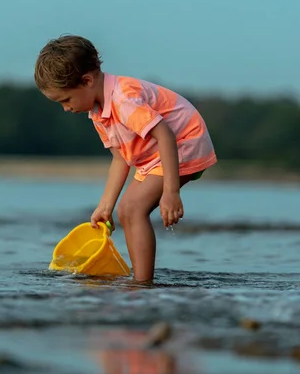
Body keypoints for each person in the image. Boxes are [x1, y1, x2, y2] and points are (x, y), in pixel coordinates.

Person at [34, 35, 217, 282]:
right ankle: (140, 280)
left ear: (87, 80)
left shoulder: (123, 99)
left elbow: (165, 135)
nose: (66, 108)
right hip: (153, 154)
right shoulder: (98, 112)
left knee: (133, 209)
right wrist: (104, 206)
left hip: (184, 142)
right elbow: (120, 159)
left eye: (66, 100)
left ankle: (142, 284)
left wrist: (171, 192)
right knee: (125, 210)